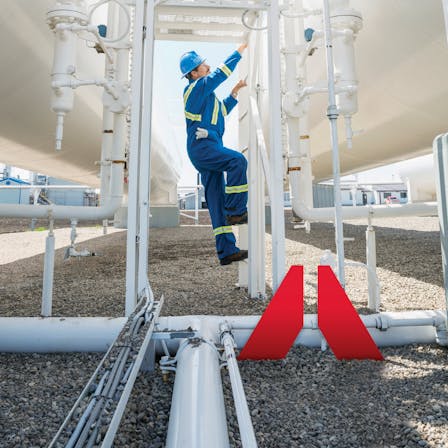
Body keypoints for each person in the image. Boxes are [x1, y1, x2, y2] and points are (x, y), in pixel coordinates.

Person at [180, 44, 249, 266]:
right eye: (203, 65)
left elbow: (222, 112)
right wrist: (238, 52)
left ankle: (227, 251)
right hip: (203, 147)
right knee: (237, 161)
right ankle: (236, 210)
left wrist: (235, 92)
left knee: (215, 201)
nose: (207, 66)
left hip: (208, 146)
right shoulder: (195, 88)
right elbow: (219, 74)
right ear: (193, 73)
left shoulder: (207, 97)